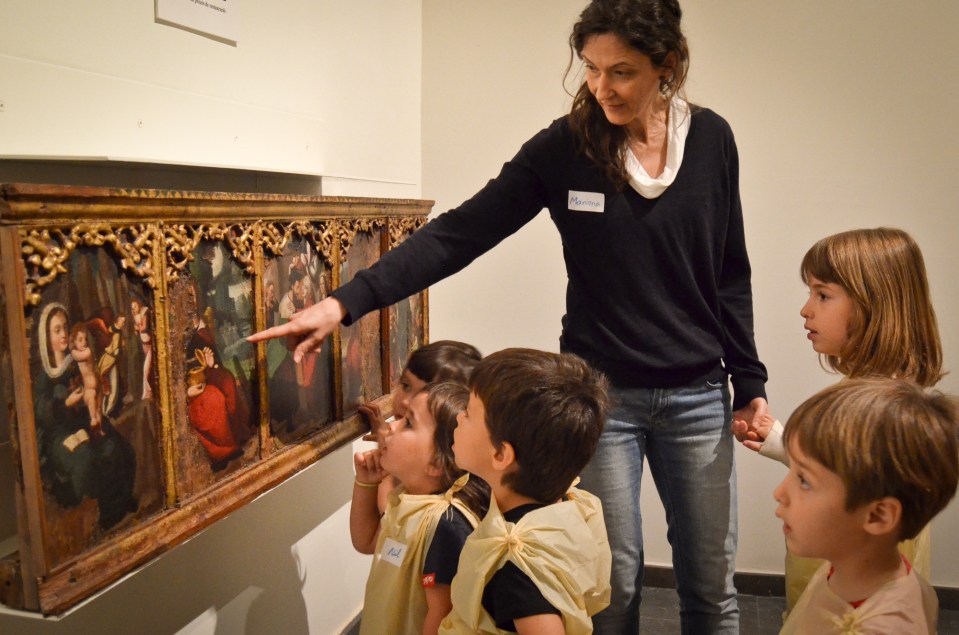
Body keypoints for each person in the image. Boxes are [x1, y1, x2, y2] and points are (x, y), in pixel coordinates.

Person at [249, 1, 768, 630]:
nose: (601, 88)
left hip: (698, 394)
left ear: (668, 65)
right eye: (591, 68)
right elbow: (459, 234)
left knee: (711, 585)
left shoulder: (711, 140)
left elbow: (730, 271)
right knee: (613, 585)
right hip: (602, 400)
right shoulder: (566, 147)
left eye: (622, 72)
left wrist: (750, 383)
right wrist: (344, 301)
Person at [732, 227, 942, 609]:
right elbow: (844, 477)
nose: (806, 309)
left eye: (823, 295)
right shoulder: (863, 395)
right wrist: (784, 444)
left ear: (873, 305)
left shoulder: (885, 412)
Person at [439, 348, 611, 634]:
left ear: (500, 455)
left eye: (468, 412)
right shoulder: (561, 508)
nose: (458, 417)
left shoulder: (518, 565)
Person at [773, 379, 957, 634]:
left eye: (804, 480)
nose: (779, 493)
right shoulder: (846, 569)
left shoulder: (880, 627)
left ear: (878, 515)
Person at [351, 382, 490, 635]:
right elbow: (367, 541)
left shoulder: (444, 523)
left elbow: (442, 613)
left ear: (436, 463)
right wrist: (365, 483)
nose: (391, 426)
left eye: (408, 423)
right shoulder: (408, 499)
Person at [33, 302, 138, 530]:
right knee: (85, 459)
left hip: (82, 423)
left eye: (65, 327)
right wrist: (65, 403)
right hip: (58, 436)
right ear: (46, 338)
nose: (64, 334)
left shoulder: (74, 363)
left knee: (118, 448)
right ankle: (95, 519)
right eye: (57, 330)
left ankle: (117, 507)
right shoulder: (44, 375)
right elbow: (40, 410)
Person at [360, 340, 482, 511]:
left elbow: (386, 516)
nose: (405, 401)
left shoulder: (448, 484)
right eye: (406, 386)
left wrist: (384, 445)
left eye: (422, 394)